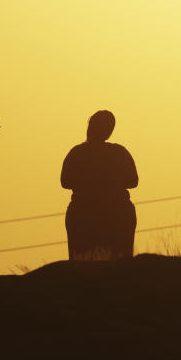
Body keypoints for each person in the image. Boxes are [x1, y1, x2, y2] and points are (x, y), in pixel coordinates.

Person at [61, 110, 138, 260]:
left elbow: (65, 182)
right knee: (122, 260)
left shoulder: (77, 153)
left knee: (80, 260)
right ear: (109, 131)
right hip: (117, 214)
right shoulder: (120, 152)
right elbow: (133, 181)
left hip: (83, 214)